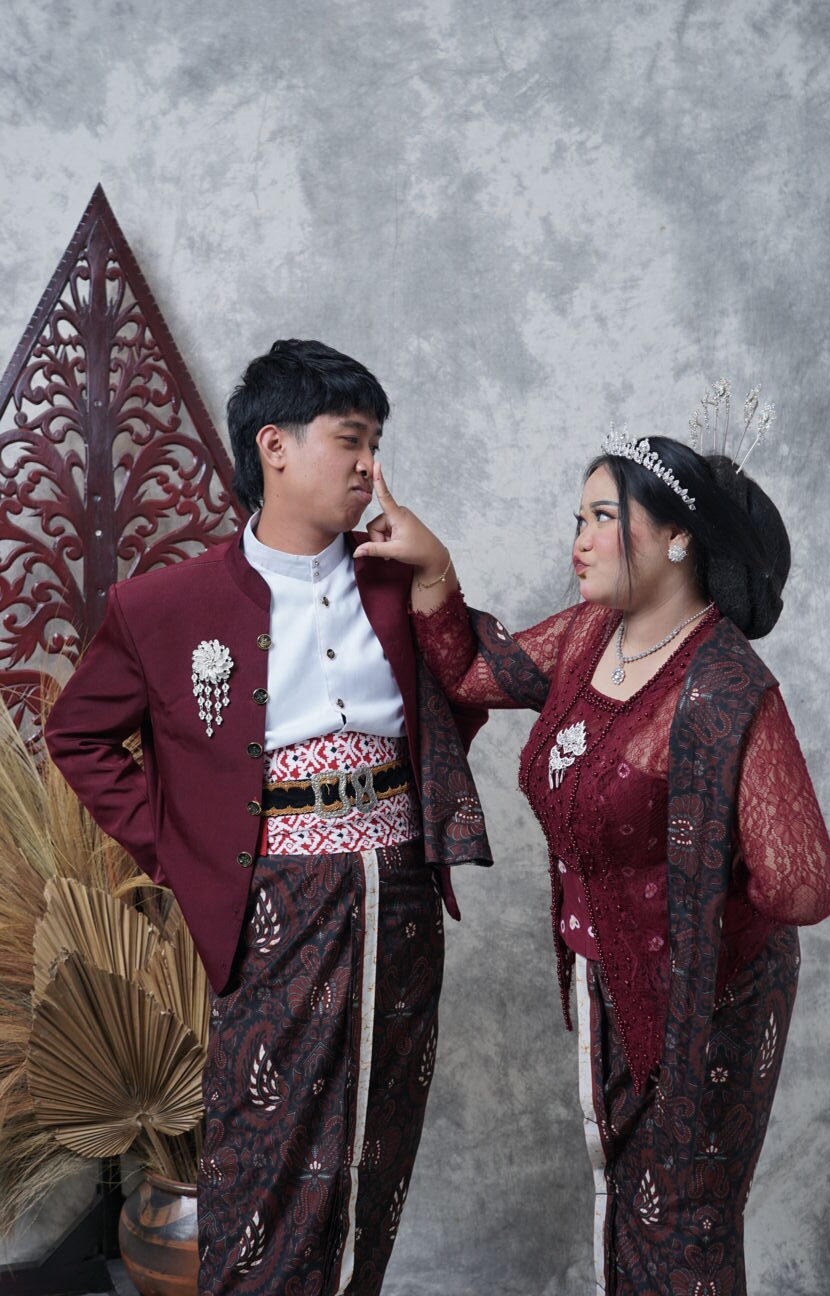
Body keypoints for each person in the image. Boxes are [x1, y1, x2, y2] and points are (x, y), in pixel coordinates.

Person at [352, 413, 830, 1295]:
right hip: (607, 977)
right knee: (627, 1206)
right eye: (578, 519)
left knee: (683, 1225)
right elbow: (473, 673)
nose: (578, 540)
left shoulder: (725, 689)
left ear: (678, 537)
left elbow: (805, 886)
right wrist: (432, 565)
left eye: (603, 518)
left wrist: (695, 879)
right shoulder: (590, 636)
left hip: (710, 997)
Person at [45, 339, 491, 1296]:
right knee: (267, 1157)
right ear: (275, 446)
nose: (370, 466)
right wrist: (179, 851)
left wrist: (440, 576)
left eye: (376, 444)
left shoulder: (394, 578)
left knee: (376, 1149)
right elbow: (77, 734)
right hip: (275, 905)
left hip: (401, 899)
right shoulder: (162, 605)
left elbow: (471, 690)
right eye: (351, 440)